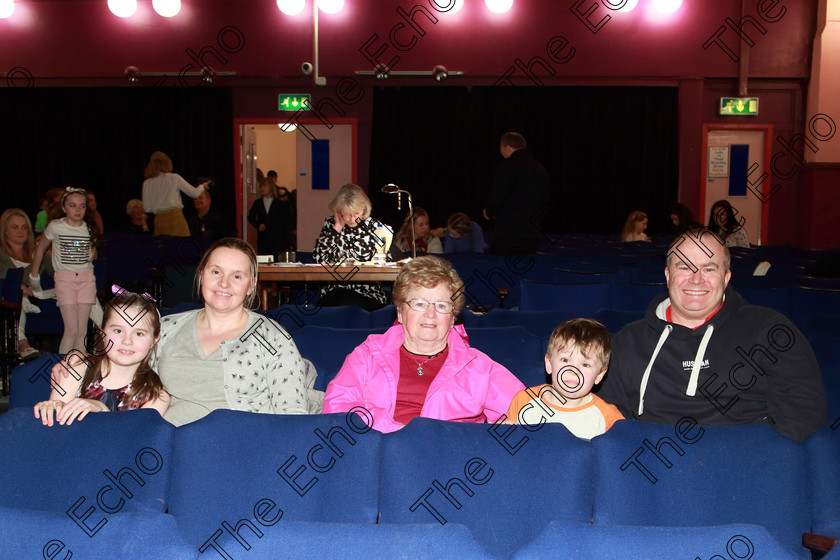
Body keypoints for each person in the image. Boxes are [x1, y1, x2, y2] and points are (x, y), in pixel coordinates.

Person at [597, 228, 826, 442]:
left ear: (726, 278)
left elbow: (803, 414)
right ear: (668, 275)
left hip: (746, 468)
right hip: (653, 468)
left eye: (709, 268)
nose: (696, 279)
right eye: (684, 267)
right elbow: (609, 423)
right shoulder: (629, 341)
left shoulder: (771, 332)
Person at [323, 255, 525, 433]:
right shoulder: (367, 355)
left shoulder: (478, 367)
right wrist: (394, 429)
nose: (430, 314)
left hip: (449, 460)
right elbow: (337, 408)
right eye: (419, 304)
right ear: (401, 312)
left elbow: (526, 409)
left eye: (441, 305)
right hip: (378, 452)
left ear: (453, 317)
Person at [150, 237, 323, 426]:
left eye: (237, 276)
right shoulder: (166, 328)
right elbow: (133, 393)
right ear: (201, 276)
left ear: (251, 286)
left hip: (241, 447)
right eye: (216, 272)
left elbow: (292, 417)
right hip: (167, 445)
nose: (224, 283)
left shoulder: (273, 339)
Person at [33, 288, 169, 426]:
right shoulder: (77, 368)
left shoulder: (156, 395)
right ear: (102, 332)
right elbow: (55, 427)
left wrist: (102, 409)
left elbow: (131, 441)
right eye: (118, 330)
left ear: (155, 339)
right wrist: (50, 409)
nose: (127, 341)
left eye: (139, 333)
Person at [506, 318, 623, 440]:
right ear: (549, 364)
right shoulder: (524, 401)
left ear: (599, 376)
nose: (573, 371)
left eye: (585, 364)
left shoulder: (609, 418)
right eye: (565, 360)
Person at [29, 187, 99, 355]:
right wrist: (34, 275)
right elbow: (40, 249)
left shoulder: (88, 229)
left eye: (82, 206)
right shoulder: (56, 226)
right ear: (64, 207)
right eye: (73, 206)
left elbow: (90, 256)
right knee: (71, 330)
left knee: (82, 332)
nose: (78, 210)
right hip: (65, 279)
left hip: (86, 279)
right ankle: (61, 369)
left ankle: (78, 371)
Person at [313, 183, 393, 310]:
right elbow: (319, 259)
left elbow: (385, 261)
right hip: (335, 290)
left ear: (364, 209)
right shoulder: (331, 225)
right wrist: (336, 230)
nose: (352, 218)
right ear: (338, 212)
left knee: (347, 301)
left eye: (356, 213)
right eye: (347, 214)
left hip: (367, 292)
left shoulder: (375, 227)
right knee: (337, 299)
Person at [483, 132, 550, 254]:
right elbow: (545, 199)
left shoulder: (507, 166)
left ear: (507, 148)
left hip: (509, 233)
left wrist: (489, 211)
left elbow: (498, 194)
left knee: (501, 266)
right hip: (532, 233)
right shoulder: (539, 168)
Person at [0, 208, 53, 360]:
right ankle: (22, 343)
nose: (21, 231)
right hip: (8, 301)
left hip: (37, 298)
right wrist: (17, 285)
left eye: (24, 227)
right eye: (14, 227)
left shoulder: (38, 253)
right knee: (16, 293)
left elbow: (57, 272)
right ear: (4, 230)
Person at [141, 151, 209, 236]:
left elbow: (147, 209)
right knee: (181, 246)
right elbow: (194, 193)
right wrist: (202, 186)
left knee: (163, 248)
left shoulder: (147, 183)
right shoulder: (174, 178)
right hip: (175, 219)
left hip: (159, 221)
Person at [247, 178, 290, 256]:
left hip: (276, 238)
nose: (262, 188)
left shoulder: (279, 204)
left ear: (271, 188)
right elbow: (250, 217)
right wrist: (258, 225)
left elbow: (284, 222)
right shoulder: (258, 203)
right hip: (263, 238)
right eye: (261, 186)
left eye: (265, 186)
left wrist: (286, 242)